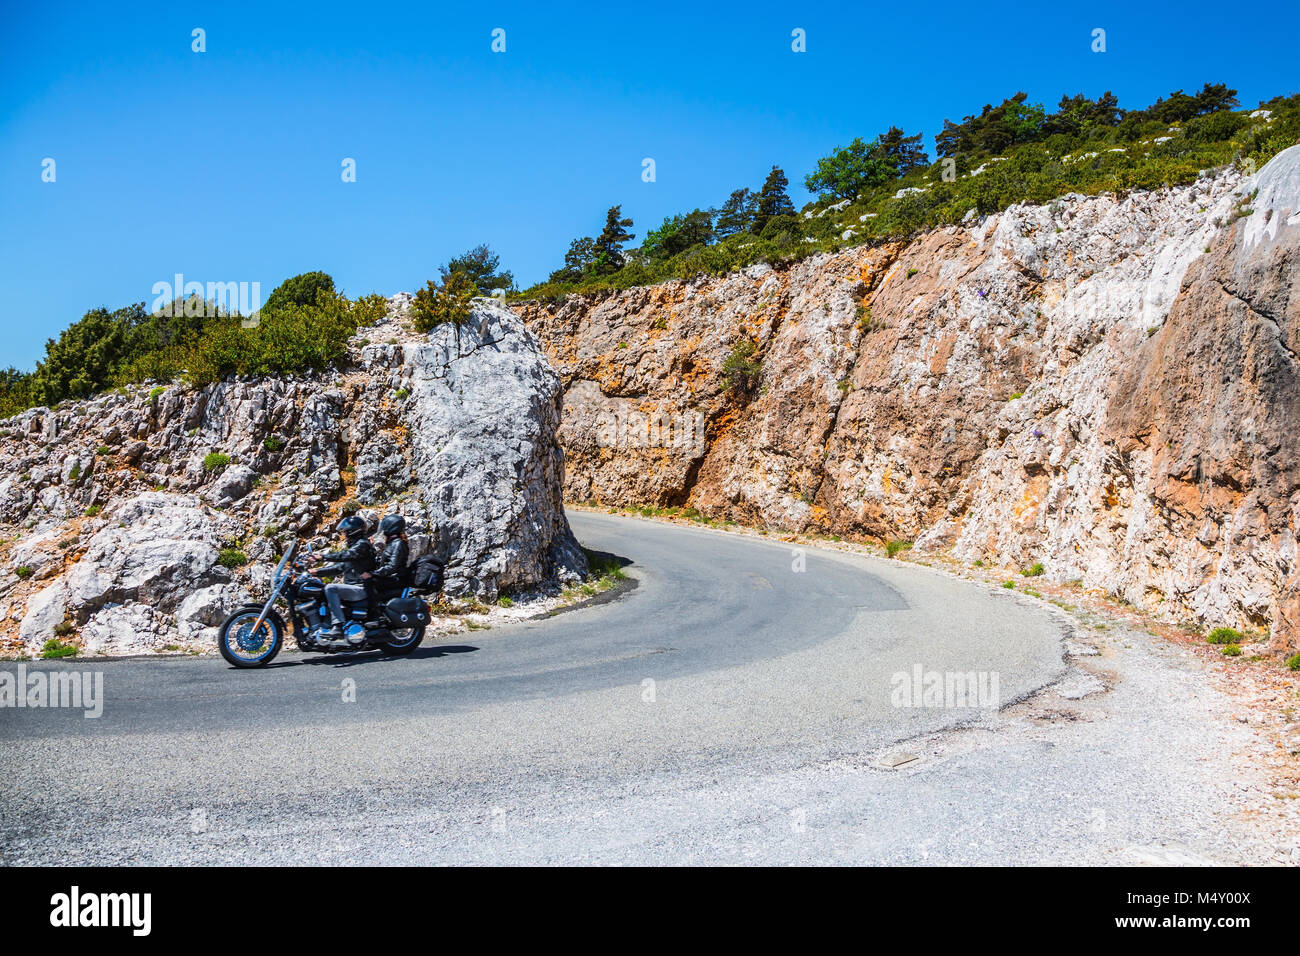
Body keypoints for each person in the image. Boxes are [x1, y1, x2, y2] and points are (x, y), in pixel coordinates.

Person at [309, 515, 376, 643]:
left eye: (346, 532)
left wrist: (322, 557)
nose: (344, 535)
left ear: (353, 531)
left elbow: (345, 555)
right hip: (354, 587)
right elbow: (340, 568)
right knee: (322, 589)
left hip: (361, 587)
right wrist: (316, 572)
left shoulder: (362, 545)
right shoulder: (356, 549)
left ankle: (338, 626)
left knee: (330, 588)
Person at [364, 513, 410, 598]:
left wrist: (372, 574)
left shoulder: (398, 544)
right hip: (390, 578)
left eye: (386, 526)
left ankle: (373, 608)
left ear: (391, 527)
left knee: (368, 582)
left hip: (396, 579)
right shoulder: (392, 543)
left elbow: (392, 566)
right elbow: (381, 561)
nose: (384, 529)